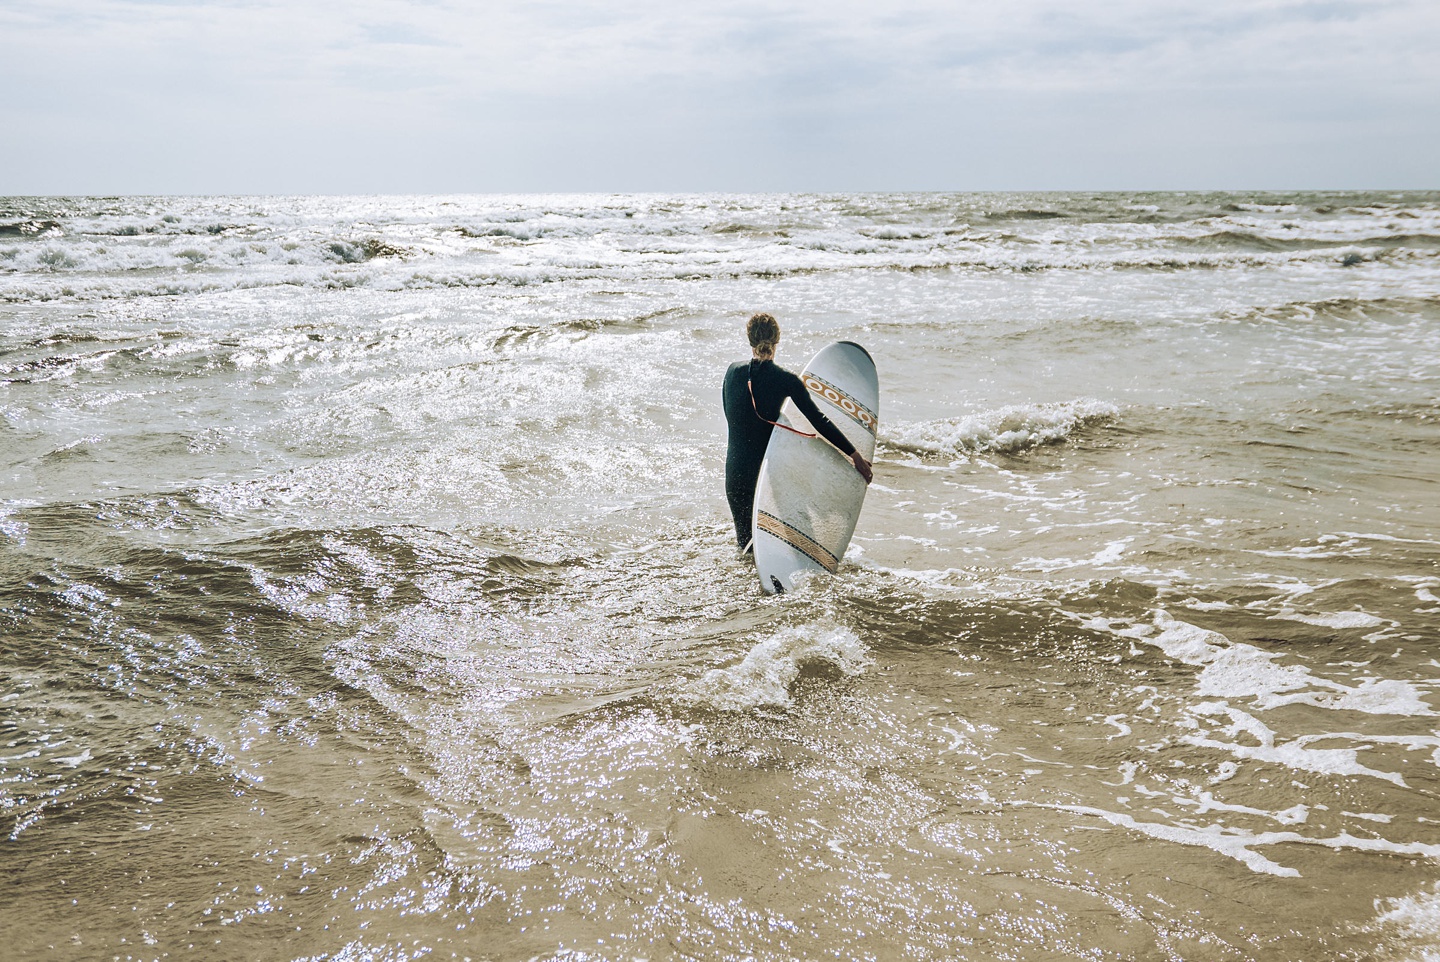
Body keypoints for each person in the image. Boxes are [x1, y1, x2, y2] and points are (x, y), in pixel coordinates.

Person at [722, 313, 873, 552]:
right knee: (772, 550)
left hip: (735, 473)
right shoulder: (787, 380)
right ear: (777, 340)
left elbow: (730, 416)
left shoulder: (732, 372)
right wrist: (854, 455)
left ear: (749, 340)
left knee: (746, 548)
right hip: (765, 478)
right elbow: (819, 421)